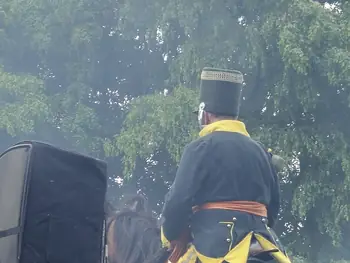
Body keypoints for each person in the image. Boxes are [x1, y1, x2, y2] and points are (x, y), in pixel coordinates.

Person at [160, 67, 292, 263]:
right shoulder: (262, 153)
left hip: (213, 247)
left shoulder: (200, 148)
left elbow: (178, 201)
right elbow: (273, 208)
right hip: (263, 241)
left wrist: (170, 233)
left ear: (205, 115)